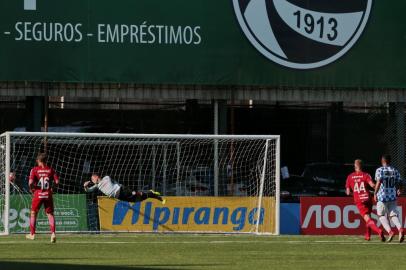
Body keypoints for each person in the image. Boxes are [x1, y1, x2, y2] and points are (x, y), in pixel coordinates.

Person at [345, 159, 385, 241]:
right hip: (368, 198)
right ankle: (368, 235)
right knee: (369, 215)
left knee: (367, 218)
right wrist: (378, 190)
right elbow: (373, 185)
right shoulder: (366, 175)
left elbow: (348, 192)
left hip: (359, 200)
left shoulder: (349, 177)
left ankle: (378, 230)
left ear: (355, 166)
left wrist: (355, 194)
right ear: (362, 166)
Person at [26, 153, 59, 243]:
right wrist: (52, 189)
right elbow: (57, 181)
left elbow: (30, 182)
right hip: (48, 194)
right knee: (50, 214)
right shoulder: (51, 170)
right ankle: (53, 234)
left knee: (33, 213)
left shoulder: (34, 170)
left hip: (38, 193)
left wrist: (32, 189)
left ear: (39, 161)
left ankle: (32, 234)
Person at [374, 154, 404, 243]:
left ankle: (390, 232)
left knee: (381, 215)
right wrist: (400, 189)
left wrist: (375, 193)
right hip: (392, 196)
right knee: (393, 215)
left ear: (382, 161)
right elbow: (401, 181)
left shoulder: (380, 170)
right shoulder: (394, 170)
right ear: (390, 161)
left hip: (382, 197)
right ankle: (400, 229)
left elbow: (379, 182)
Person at [83, 173, 165, 204]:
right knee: (137, 200)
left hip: (122, 190)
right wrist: (85, 186)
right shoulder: (97, 186)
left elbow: (115, 183)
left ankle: (156, 196)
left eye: (92, 179)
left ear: (97, 177)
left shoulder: (106, 178)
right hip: (118, 196)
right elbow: (88, 190)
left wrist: (121, 186)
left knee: (135, 193)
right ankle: (151, 194)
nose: (92, 181)